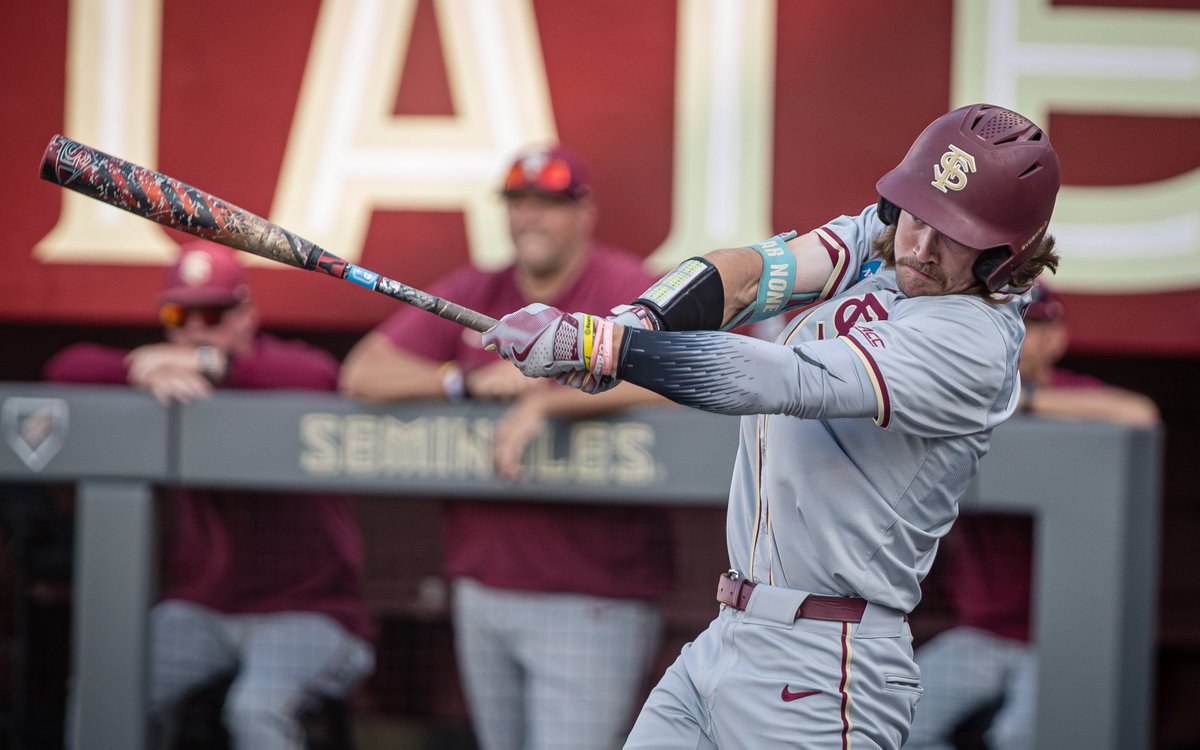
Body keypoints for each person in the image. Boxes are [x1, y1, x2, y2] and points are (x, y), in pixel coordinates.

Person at [479, 103, 1063, 748]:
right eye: (917, 217)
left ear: (1005, 254)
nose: (920, 248)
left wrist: (610, 350)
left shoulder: (973, 340)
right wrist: (634, 323)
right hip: (729, 632)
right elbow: (750, 274)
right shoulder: (885, 237)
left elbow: (778, 379)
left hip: (826, 663)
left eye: (954, 234)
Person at [339, 144, 673, 750]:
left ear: (584, 213)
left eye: (549, 203)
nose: (531, 217)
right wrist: (459, 381)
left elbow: (685, 370)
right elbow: (363, 372)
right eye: (519, 202)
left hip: (593, 592)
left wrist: (546, 399)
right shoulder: (481, 287)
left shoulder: (624, 285)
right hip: (484, 583)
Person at [44, 241, 375, 750]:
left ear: (246, 315)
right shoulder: (164, 375)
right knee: (104, 688)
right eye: (180, 315)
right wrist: (139, 367)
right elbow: (66, 368)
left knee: (255, 710)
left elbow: (322, 376)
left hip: (311, 610)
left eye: (214, 315)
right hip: (204, 610)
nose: (196, 329)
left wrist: (207, 363)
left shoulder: (282, 368)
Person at [903, 282, 1159, 750]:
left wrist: (1025, 402)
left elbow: (1140, 412)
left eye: (1034, 325)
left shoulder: (1067, 394)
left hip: (1056, 635)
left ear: (1056, 336)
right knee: (900, 722)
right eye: (1009, 322)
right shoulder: (963, 393)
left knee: (1024, 736)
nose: (1021, 336)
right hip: (981, 631)